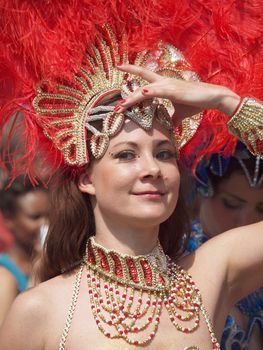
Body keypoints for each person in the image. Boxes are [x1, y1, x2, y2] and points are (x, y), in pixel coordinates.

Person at [0, 1, 262, 349]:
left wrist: (225, 101)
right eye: (126, 155)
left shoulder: (212, 274)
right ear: (87, 178)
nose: (152, 169)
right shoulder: (39, 311)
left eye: (164, 154)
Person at [188, 142, 263, 349]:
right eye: (231, 204)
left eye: (262, 209)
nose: (246, 221)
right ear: (203, 190)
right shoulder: (175, 258)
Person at [0, 176, 49, 326]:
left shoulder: (56, 264)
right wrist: (38, 269)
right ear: (9, 219)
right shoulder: (3, 275)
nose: (45, 224)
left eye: (50, 215)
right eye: (35, 217)